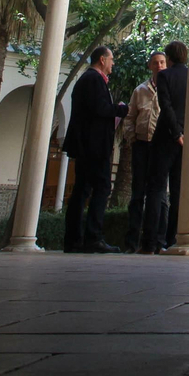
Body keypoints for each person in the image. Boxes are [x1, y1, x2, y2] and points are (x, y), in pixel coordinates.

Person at [61, 45, 125, 254]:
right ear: (101, 60)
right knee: (101, 187)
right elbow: (100, 110)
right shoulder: (93, 80)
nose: (113, 63)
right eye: (111, 59)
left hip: (87, 145)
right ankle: (92, 237)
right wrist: (121, 109)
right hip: (94, 146)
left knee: (82, 190)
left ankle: (74, 239)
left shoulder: (88, 79)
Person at [120, 49, 165, 253]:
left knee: (160, 196)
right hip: (141, 145)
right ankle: (131, 242)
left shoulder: (169, 89)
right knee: (137, 195)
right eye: (156, 62)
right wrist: (131, 138)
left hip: (160, 147)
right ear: (150, 66)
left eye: (162, 62)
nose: (159, 66)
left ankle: (158, 241)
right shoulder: (140, 91)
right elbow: (130, 116)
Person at [144, 40, 187, 252]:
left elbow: (165, 105)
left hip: (165, 138)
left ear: (169, 58)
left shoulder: (165, 75)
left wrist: (175, 132)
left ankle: (151, 242)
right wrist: (184, 134)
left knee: (156, 189)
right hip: (185, 139)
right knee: (178, 190)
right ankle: (172, 240)